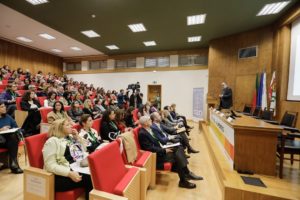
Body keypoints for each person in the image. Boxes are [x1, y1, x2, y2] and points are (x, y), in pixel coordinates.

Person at [138, 116, 203, 189]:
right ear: (145, 123)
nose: (151, 121)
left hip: (161, 149)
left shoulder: (150, 129)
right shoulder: (142, 133)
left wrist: (165, 147)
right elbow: (149, 148)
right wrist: (164, 150)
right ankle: (185, 178)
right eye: (149, 120)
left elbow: (159, 141)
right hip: (155, 156)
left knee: (178, 148)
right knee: (177, 155)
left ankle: (185, 176)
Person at [42, 119, 93, 200]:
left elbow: (84, 150)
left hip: (75, 167)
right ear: (59, 128)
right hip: (59, 175)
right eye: (67, 125)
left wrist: (77, 137)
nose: (71, 126)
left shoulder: (69, 137)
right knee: (90, 179)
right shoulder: (52, 141)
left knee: (94, 173)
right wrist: (69, 173)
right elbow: (50, 165)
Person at [0, 101, 23, 174]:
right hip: (1, 140)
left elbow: (16, 126)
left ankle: (14, 164)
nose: (4, 108)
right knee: (13, 140)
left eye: (4, 106)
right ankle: (14, 165)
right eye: (2, 107)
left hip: (8, 140)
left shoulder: (7, 117)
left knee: (13, 137)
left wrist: (10, 129)